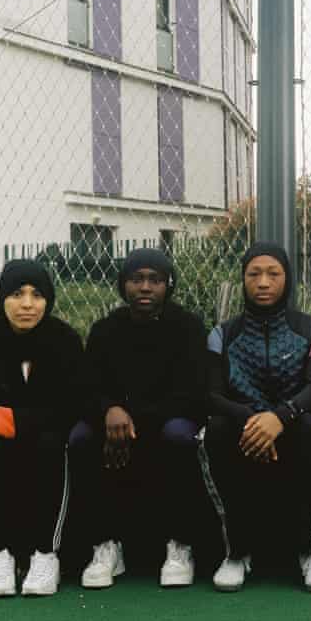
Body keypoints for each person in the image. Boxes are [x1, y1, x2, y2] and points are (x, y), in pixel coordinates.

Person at [199, 242, 311, 592]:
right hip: (244, 426)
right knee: (216, 430)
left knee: (309, 427)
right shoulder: (221, 333)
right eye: (254, 274)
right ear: (243, 279)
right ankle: (235, 553)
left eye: (273, 274)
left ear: (287, 279)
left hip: (292, 422)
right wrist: (253, 419)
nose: (263, 282)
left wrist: (282, 416)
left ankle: (309, 552)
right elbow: (212, 395)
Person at [69, 248, 207, 589]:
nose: (145, 287)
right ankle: (105, 545)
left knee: (178, 435)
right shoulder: (105, 330)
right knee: (81, 438)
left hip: (167, 420)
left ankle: (179, 545)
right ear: (123, 285)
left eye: (155, 280)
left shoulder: (187, 327)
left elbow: (193, 393)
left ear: (168, 286)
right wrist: (109, 411)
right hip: (115, 421)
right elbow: (86, 389)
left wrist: (131, 421)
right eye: (136, 279)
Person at [0, 259, 83, 598]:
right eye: (17, 294)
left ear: (49, 300)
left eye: (37, 295)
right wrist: (7, 421)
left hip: (46, 439)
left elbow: (68, 408)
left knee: (52, 444)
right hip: (3, 443)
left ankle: (46, 554)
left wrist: (2, 418)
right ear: (2, 299)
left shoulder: (64, 340)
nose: (27, 304)